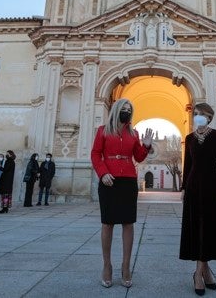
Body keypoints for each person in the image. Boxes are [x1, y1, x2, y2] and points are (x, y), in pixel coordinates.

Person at [91, 98, 154, 288]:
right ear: (117, 110)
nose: (127, 111)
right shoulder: (102, 130)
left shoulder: (133, 133)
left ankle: (126, 266)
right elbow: (95, 154)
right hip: (108, 181)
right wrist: (102, 174)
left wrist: (146, 145)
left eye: (129, 110)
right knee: (108, 223)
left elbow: (139, 156)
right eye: (124, 108)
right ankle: (107, 265)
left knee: (128, 223)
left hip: (128, 181)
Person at [179, 103, 216, 296]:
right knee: (197, 228)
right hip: (193, 187)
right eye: (195, 114)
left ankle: (199, 272)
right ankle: (203, 273)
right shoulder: (189, 138)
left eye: (201, 114)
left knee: (209, 227)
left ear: (209, 117)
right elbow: (188, 165)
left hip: (213, 186)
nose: (197, 117)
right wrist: (183, 188)